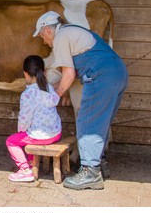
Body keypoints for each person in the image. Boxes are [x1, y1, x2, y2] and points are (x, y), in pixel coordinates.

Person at [33, 11, 128, 190]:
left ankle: (90, 173)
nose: (44, 42)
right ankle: (99, 164)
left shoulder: (60, 37)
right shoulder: (73, 31)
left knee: (87, 121)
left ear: (47, 30)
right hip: (118, 72)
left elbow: (68, 75)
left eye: (42, 37)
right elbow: (71, 72)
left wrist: (53, 97)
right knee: (100, 122)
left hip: (101, 75)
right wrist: (60, 90)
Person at [6, 55, 62, 182]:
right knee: (29, 134)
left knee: (12, 141)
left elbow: (24, 118)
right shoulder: (48, 88)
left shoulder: (28, 94)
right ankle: (32, 163)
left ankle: (25, 170)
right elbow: (55, 100)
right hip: (56, 133)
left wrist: (21, 130)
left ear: (25, 74)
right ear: (43, 71)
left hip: (41, 137)